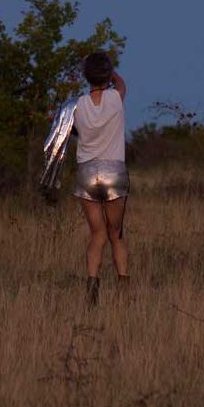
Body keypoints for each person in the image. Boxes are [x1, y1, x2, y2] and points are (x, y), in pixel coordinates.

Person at [72, 52, 129, 305]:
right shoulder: (116, 98)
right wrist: (109, 69)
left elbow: (75, 132)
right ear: (107, 74)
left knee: (97, 235)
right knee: (116, 234)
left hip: (86, 173)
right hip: (114, 172)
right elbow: (121, 83)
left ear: (86, 77)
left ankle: (92, 293)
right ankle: (123, 293)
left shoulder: (77, 105)